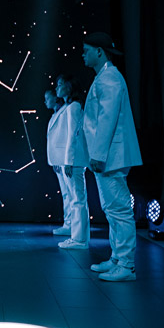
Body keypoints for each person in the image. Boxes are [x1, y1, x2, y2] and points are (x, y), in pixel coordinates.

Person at [82, 32, 142, 282]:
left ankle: (126, 265)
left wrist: (98, 154)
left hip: (111, 155)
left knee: (119, 209)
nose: (83, 55)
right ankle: (118, 258)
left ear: (99, 51)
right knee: (112, 209)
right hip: (108, 155)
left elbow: (107, 118)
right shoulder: (105, 77)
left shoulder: (109, 78)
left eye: (86, 50)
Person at [48, 75, 90, 249]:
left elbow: (73, 135)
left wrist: (68, 161)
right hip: (70, 160)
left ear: (69, 86)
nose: (56, 88)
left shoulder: (74, 107)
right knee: (74, 198)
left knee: (77, 199)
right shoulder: (68, 107)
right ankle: (76, 235)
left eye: (60, 85)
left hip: (73, 161)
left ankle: (79, 239)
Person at [44, 89, 70, 236]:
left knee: (70, 194)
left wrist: (65, 160)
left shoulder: (66, 111)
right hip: (58, 160)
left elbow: (67, 137)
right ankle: (68, 224)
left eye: (47, 98)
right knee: (66, 194)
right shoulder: (55, 115)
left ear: (55, 98)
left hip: (65, 159)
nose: (45, 102)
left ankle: (72, 226)